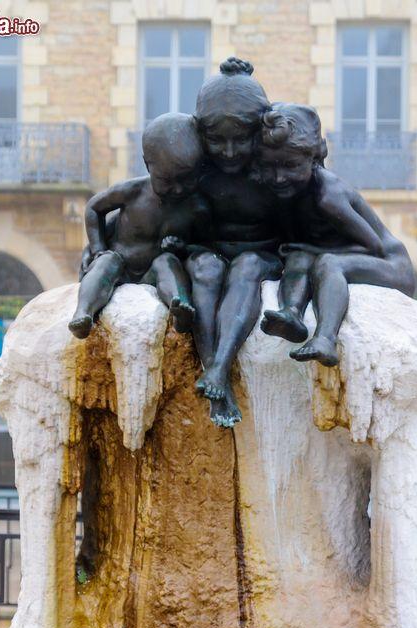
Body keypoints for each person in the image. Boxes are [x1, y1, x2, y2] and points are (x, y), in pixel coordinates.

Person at [256, 103, 415, 366]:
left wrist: (315, 252)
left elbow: (374, 248)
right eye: (270, 167)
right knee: (299, 257)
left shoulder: (328, 196)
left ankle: (325, 339)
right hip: (347, 258)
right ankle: (291, 313)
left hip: (392, 266)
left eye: (290, 166)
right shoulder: (291, 193)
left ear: (314, 158)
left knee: (328, 262)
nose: (279, 177)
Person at [187, 58, 286, 428]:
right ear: (200, 132)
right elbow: (146, 203)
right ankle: (214, 374)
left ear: (260, 130)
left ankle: (219, 369)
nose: (228, 151)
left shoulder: (276, 167)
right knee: (207, 267)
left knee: (246, 267)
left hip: (263, 257)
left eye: (240, 139)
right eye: (216, 140)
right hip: (209, 253)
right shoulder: (193, 168)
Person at [68, 113, 210, 340]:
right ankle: (83, 313)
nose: (178, 189)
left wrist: (182, 247)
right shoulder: (133, 191)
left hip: (151, 274)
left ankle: (180, 306)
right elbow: (94, 208)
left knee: (167, 262)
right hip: (120, 267)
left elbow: (204, 244)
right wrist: (97, 249)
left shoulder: (196, 208)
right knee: (107, 261)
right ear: (148, 166)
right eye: (166, 181)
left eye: (186, 180)